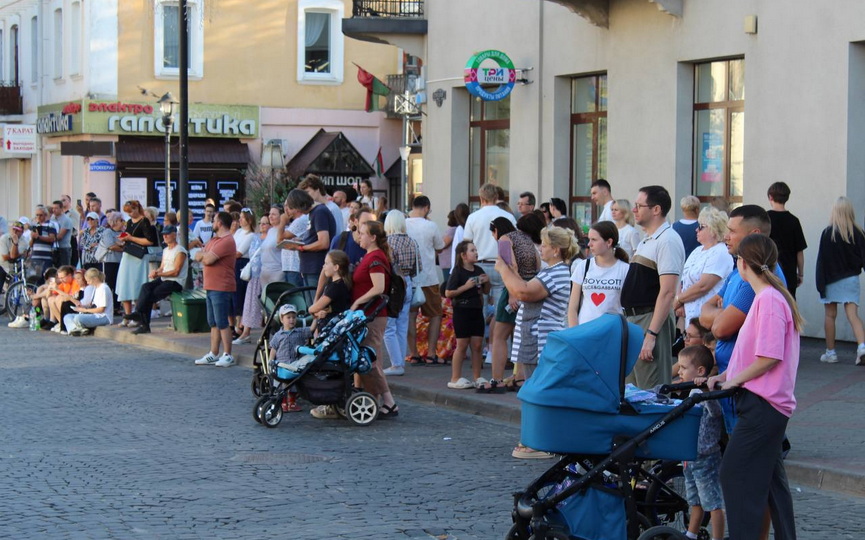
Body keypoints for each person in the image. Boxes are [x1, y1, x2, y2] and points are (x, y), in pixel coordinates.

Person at [705, 233, 801, 540]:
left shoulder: (770, 300)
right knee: (772, 483)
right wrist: (725, 376)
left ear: (742, 264)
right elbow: (754, 354)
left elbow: (769, 357)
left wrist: (734, 379)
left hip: (764, 405)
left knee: (734, 475)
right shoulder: (767, 298)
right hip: (762, 402)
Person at [699, 204, 786, 432]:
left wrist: (720, 317)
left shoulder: (758, 280)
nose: (726, 236)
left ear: (753, 235)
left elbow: (720, 329)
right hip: (735, 382)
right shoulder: (739, 271)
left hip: (749, 391)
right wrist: (721, 315)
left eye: (732, 231)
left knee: (746, 460)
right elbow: (705, 311)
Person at [499, 226, 576, 459]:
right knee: (533, 389)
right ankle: (534, 437)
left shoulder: (557, 272)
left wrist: (504, 268)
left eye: (544, 244)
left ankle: (539, 440)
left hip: (541, 339)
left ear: (556, 249)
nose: (540, 248)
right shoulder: (552, 270)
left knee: (537, 391)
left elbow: (523, 292)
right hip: (534, 337)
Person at [311, 221, 399, 419]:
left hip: (372, 315)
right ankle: (375, 399)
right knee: (365, 360)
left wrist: (356, 303)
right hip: (365, 315)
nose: (359, 236)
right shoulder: (369, 255)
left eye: (362, 233)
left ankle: (389, 402)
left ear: (373, 237)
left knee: (371, 361)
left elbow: (379, 288)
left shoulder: (376, 257)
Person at [620, 186, 685, 389]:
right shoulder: (648, 239)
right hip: (634, 319)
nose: (634, 210)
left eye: (639, 205)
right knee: (631, 390)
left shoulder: (667, 240)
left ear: (656, 209)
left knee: (651, 392)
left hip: (649, 319)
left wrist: (651, 335)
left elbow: (667, 292)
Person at [478, 215, 540, 393]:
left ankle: (496, 379)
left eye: (492, 234)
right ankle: (520, 377)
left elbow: (509, 265)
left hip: (513, 287)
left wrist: (513, 293)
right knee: (520, 334)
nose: (493, 238)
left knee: (499, 335)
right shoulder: (525, 238)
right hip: (531, 285)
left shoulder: (505, 239)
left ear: (495, 230)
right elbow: (537, 264)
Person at [676, 345, 725, 540]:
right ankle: (691, 534)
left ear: (700, 371)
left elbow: (716, 412)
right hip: (691, 456)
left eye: (683, 367)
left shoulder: (705, 391)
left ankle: (717, 537)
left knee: (712, 502)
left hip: (706, 457)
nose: (679, 371)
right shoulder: (691, 391)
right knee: (694, 500)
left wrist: (704, 389)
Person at [463, 184, 516, 356]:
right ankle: (502, 352)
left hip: (479, 265)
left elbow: (466, 243)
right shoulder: (507, 215)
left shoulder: (473, 217)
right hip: (503, 263)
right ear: (497, 197)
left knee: (480, 309)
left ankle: (479, 351)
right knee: (503, 311)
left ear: (481, 198)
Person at [815, 196, 865, 365]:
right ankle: (862, 348)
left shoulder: (827, 233)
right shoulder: (858, 233)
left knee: (830, 315)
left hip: (830, 280)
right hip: (851, 279)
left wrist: (820, 284)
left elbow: (822, 260)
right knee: (853, 315)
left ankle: (831, 353)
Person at [122, 225, 188, 335]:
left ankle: (141, 319)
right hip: (164, 278)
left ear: (174, 235)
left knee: (151, 295)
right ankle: (140, 316)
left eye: (167, 234)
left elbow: (176, 271)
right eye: (164, 234)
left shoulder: (180, 251)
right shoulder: (166, 250)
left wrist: (159, 273)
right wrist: (156, 272)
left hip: (176, 281)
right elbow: (162, 267)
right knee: (146, 287)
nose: (165, 236)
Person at [674, 207, 733, 326]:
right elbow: (683, 279)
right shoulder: (697, 250)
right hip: (690, 316)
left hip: (707, 318)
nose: (696, 229)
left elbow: (703, 286)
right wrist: (681, 303)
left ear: (713, 229)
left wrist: (678, 300)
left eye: (701, 227)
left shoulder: (721, 252)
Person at [193, 211, 238, 368]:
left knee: (222, 321)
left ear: (220, 223)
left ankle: (228, 354)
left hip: (222, 286)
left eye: (214, 220)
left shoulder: (227, 241)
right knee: (213, 322)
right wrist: (203, 255)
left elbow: (208, 259)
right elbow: (198, 255)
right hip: (210, 286)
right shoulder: (213, 239)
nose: (212, 222)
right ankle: (213, 353)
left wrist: (204, 256)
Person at [405, 196, 446, 364]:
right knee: (435, 315)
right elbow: (440, 247)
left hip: (409, 277)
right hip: (429, 277)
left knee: (410, 316)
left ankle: (414, 353)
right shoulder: (431, 225)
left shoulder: (404, 224)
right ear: (427, 207)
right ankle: (430, 353)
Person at [445, 240, 490, 389]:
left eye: (476, 250)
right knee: (462, 345)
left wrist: (486, 281)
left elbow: (486, 291)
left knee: (477, 345)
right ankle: (455, 377)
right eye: (472, 250)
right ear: (463, 255)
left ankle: (477, 377)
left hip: (476, 310)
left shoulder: (478, 269)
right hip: (462, 310)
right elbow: (448, 292)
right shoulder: (457, 271)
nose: (476, 253)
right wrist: (466, 286)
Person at [567, 221, 630, 327]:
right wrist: (575, 333)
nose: (589, 244)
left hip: (613, 332)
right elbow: (572, 307)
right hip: (585, 331)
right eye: (589, 239)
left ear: (609, 242)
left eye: (594, 240)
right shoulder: (583, 266)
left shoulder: (625, 269)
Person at [382, 211, 420, 376]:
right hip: (409, 282)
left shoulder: (389, 242)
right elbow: (418, 267)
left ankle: (396, 364)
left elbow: (388, 266)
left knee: (389, 325)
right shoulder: (412, 241)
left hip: (394, 285)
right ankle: (399, 361)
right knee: (402, 325)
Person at [281, 188, 335, 288]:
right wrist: (301, 241)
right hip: (309, 268)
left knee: (314, 301)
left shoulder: (319, 212)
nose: (293, 213)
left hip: (316, 267)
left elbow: (323, 242)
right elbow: (314, 237)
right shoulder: (313, 213)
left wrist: (301, 248)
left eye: (293, 208)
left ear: (300, 205)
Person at [116, 200, 158, 325]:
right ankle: (127, 316)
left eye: (131, 211)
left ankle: (137, 315)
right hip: (128, 254)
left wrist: (130, 238)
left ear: (136, 208)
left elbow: (149, 241)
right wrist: (124, 239)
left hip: (138, 256)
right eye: (127, 212)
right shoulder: (129, 222)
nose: (129, 214)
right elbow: (128, 236)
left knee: (137, 284)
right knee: (125, 284)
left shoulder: (144, 221)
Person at [269, 303, 313, 412]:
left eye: (293, 317)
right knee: (281, 384)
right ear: (282, 319)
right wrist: (270, 360)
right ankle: (283, 402)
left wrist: (316, 318)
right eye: (288, 318)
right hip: (281, 364)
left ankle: (292, 401)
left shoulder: (299, 332)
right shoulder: (278, 335)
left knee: (293, 383)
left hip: (294, 364)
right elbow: (273, 349)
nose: (291, 320)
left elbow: (311, 329)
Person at [767, 182, 808, 299]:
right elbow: (799, 251)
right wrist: (800, 273)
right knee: (790, 307)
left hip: (770, 271)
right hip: (789, 273)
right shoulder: (794, 221)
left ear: (770, 196)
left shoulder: (765, 219)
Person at [235, 215, 270, 345]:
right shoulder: (255, 237)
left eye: (266, 223)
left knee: (266, 306)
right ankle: (245, 333)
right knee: (250, 303)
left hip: (268, 274)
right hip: (255, 274)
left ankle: (264, 334)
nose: (263, 225)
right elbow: (251, 253)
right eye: (261, 222)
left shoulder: (272, 237)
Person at [307, 250, 352, 328]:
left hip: (332, 328)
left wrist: (311, 309)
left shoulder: (335, 286)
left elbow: (315, 307)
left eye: (326, 263)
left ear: (336, 267)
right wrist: (317, 313)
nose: (323, 266)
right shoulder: (339, 284)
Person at [63, 268, 114, 336]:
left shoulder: (103, 288)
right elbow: (92, 304)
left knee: (78, 318)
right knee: (67, 317)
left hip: (104, 317)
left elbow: (101, 309)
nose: (87, 283)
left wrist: (84, 310)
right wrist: (82, 307)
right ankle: (76, 329)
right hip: (95, 315)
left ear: (95, 279)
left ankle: (77, 329)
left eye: (89, 281)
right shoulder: (95, 288)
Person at [233, 208, 256, 330]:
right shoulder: (238, 232)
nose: (240, 220)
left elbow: (238, 252)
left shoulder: (251, 235)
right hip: (233, 263)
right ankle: (235, 322)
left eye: (243, 217)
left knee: (240, 293)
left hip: (241, 264)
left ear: (249, 220)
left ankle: (240, 324)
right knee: (235, 294)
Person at [98, 212, 125, 307]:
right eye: (121, 220)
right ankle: (107, 305)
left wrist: (120, 245)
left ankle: (117, 306)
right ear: (115, 221)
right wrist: (122, 248)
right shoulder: (108, 232)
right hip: (109, 261)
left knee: (118, 284)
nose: (123, 223)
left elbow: (122, 243)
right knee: (108, 283)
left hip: (120, 261)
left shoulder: (123, 233)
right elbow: (111, 246)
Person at [0, 221, 29, 305]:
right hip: (2, 264)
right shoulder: (4, 238)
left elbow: (12, 256)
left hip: (16, 265)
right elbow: (5, 257)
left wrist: (15, 243)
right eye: (14, 230)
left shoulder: (24, 241)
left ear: (22, 232)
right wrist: (18, 254)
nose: (15, 232)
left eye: (17, 230)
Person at [46, 265, 80, 333]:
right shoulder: (64, 284)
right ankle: (60, 322)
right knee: (51, 299)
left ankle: (63, 324)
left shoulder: (75, 282)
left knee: (59, 298)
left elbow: (72, 297)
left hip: (74, 305)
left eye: (62, 278)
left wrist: (57, 290)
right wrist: (49, 289)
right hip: (67, 305)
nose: (61, 280)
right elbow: (48, 297)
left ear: (69, 275)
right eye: (59, 278)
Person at [259, 206, 286, 287]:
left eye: (273, 214)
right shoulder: (270, 231)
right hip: (264, 272)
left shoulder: (285, 231)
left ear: (281, 216)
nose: (270, 216)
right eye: (270, 214)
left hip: (277, 272)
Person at [30, 206, 58, 281]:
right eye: (37, 215)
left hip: (46, 257)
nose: (38, 217)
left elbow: (52, 239)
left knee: (46, 277)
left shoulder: (50, 225)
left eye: (41, 215)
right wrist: (33, 237)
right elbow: (30, 244)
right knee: (35, 278)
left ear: (45, 215)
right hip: (35, 256)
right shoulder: (34, 226)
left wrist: (39, 237)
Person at [50, 200, 74, 267]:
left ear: (61, 208)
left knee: (64, 268)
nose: (54, 210)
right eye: (53, 208)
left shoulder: (66, 220)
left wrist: (48, 239)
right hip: (54, 248)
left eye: (56, 208)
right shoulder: (52, 218)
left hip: (63, 248)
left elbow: (60, 236)